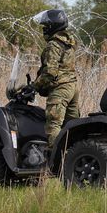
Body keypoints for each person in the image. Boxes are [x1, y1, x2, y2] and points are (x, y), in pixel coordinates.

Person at [30, 9, 79, 146]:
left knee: (53, 125)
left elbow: (50, 73)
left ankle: (54, 164)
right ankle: (71, 157)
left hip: (60, 89)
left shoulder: (54, 45)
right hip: (72, 87)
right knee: (73, 126)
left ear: (52, 26)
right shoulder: (68, 42)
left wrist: (34, 87)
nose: (44, 28)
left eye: (46, 25)